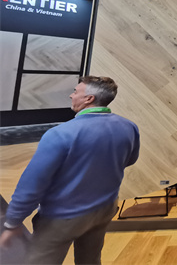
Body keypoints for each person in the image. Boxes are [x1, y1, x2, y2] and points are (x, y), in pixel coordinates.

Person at [0, 76, 140, 265]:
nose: (71, 95)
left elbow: (32, 184)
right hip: (105, 209)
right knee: (90, 261)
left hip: (62, 218)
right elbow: (130, 160)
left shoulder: (60, 134)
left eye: (75, 91)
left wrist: (13, 222)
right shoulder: (129, 127)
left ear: (89, 99)